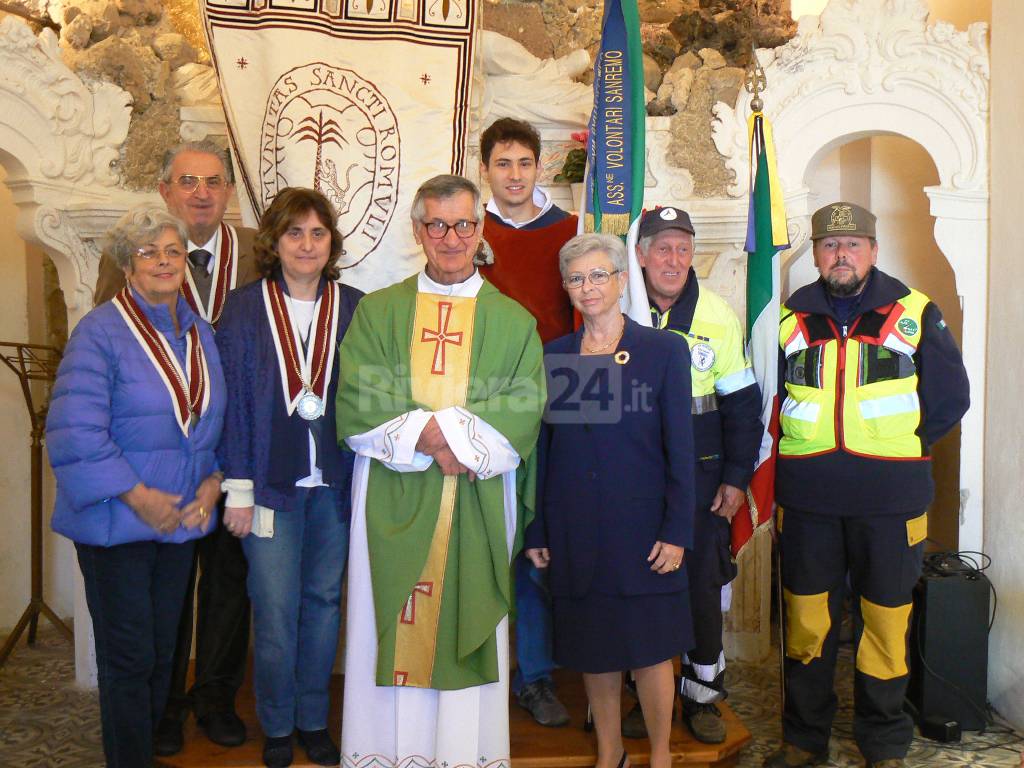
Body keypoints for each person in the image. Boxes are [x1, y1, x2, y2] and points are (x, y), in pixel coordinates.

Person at [336, 174, 545, 768]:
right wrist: (439, 439)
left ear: (479, 230)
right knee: (391, 615)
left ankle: (463, 754)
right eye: (436, 224)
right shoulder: (378, 312)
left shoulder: (512, 320)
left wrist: (451, 443)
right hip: (392, 495)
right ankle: (383, 753)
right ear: (417, 231)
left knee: (464, 615)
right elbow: (357, 397)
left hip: (476, 498)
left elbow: (524, 402)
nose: (450, 238)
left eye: (462, 224)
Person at [764, 202, 970, 768]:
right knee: (807, 623)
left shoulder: (916, 312)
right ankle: (804, 739)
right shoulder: (787, 318)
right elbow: (769, 401)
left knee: (884, 621)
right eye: (830, 246)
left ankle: (883, 742)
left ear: (873, 251)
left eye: (853, 244)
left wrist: (899, 447)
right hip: (807, 500)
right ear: (817, 254)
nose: (842, 254)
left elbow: (950, 398)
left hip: (891, 502)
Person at [46, 205, 227, 767]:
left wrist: (214, 482)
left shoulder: (199, 333)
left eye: (173, 251)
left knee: (162, 654)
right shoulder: (99, 331)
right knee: (129, 659)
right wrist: (139, 496)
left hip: (176, 524)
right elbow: (74, 432)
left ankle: (142, 753)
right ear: (127, 266)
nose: (164, 261)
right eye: (148, 252)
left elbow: (213, 423)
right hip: (116, 524)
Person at [95, 139, 260, 754]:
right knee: (166, 595)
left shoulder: (254, 253)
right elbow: (110, 342)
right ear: (165, 190)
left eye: (213, 182)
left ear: (227, 192)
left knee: (228, 580)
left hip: (232, 449)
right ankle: (163, 708)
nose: (201, 193)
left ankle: (215, 697)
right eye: (187, 181)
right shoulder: (136, 252)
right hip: (162, 456)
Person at [525, 233, 696, 768]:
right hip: (577, 529)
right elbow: (545, 450)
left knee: (649, 651)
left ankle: (663, 754)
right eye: (576, 278)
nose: (588, 287)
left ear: (623, 280)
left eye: (599, 275)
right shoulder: (555, 355)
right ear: (566, 288)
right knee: (593, 651)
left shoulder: (662, 351)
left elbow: (680, 450)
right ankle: (610, 752)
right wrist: (539, 531)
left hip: (644, 531)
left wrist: (677, 530)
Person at [216, 187, 362, 768]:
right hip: (269, 488)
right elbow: (231, 406)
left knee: (325, 603)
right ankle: (277, 724)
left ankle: (311, 719)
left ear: (332, 242)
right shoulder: (244, 308)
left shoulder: (355, 305)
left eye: (318, 233)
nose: (307, 244)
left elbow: (371, 396)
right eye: (295, 233)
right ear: (274, 243)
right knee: (274, 609)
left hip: (334, 486)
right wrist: (240, 489)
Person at [620, 206, 763, 744]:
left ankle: (703, 697)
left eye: (683, 248)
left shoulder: (718, 316)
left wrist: (735, 477)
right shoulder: (618, 310)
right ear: (640, 255)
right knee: (641, 585)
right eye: (662, 248)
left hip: (703, 484)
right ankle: (646, 696)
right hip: (635, 481)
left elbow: (743, 407)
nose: (674, 260)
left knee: (700, 587)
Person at [478, 116, 577, 727]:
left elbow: (586, 309)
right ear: (485, 167)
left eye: (524, 163)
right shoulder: (467, 228)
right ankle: (478, 672)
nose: (514, 175)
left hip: (559, 403)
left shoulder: (568, 230)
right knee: (489, 545)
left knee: (541, 545)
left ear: (539, 167)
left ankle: (538, 675)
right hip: (485, 405)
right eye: (502, 163)